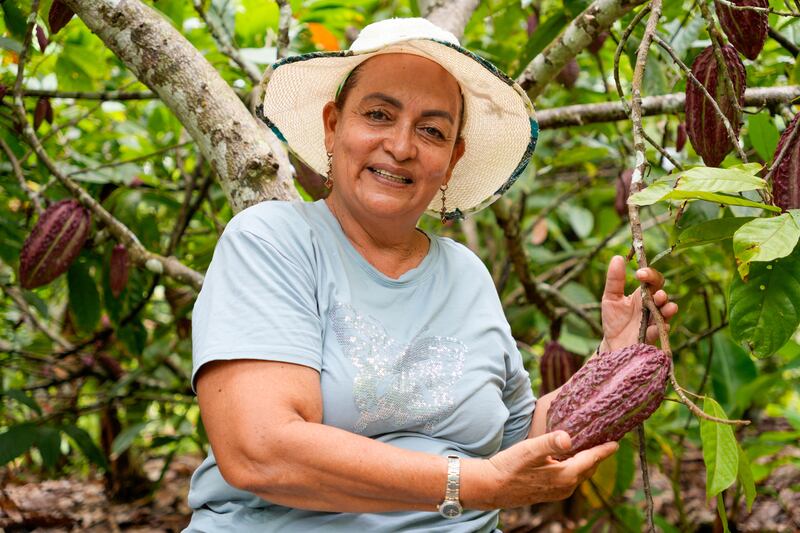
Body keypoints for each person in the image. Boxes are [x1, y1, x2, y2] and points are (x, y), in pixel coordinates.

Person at [184, 17, 678, 532]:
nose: (401, 146)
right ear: (333, 126)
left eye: (432, 130)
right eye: (378, 114)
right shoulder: (272, 241)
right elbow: (261, 451)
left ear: (452, 158)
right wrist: (473, 486)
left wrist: (613, 365)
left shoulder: (466, 274)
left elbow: (513, 442)